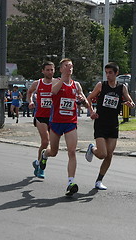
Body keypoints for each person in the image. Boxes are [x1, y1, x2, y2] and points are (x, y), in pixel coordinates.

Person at [39, 58, 88, 196]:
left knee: (72, 152)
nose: (69, 68)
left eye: (71, 66)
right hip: (55, 123)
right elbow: (53, 92)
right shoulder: (55, 81)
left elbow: (84, 100)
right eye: (66, 66)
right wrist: (63, 78)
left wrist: (87, 105)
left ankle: (70, 182)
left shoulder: (76, 85)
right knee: (53, 152)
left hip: (70, 123)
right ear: (61, 69)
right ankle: (45, 154)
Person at [85, 62, 135, 190]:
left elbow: (129, 100)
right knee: (102, 154)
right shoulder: (101, 85)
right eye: (106, 73)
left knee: (109, 155)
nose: (108, 75)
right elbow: (89, 98)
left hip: (113, 124)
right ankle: (92, 149)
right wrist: (92, 111)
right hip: (101, 122)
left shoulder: (122, 87)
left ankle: (99, 181)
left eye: (110, 73)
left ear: (116, 73)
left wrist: (131, 104)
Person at [27, 61, 55, 179]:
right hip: (40, 116)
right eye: (47, 70)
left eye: (51, 70)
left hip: (53, 117)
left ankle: (38, 163)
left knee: (52, 146)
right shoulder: (37, 83)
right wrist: (31, 101)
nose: (50, 72)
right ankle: (41, 168)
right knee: (45, 141)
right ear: (43, 71)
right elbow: (29, 92)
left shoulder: (58, 82)